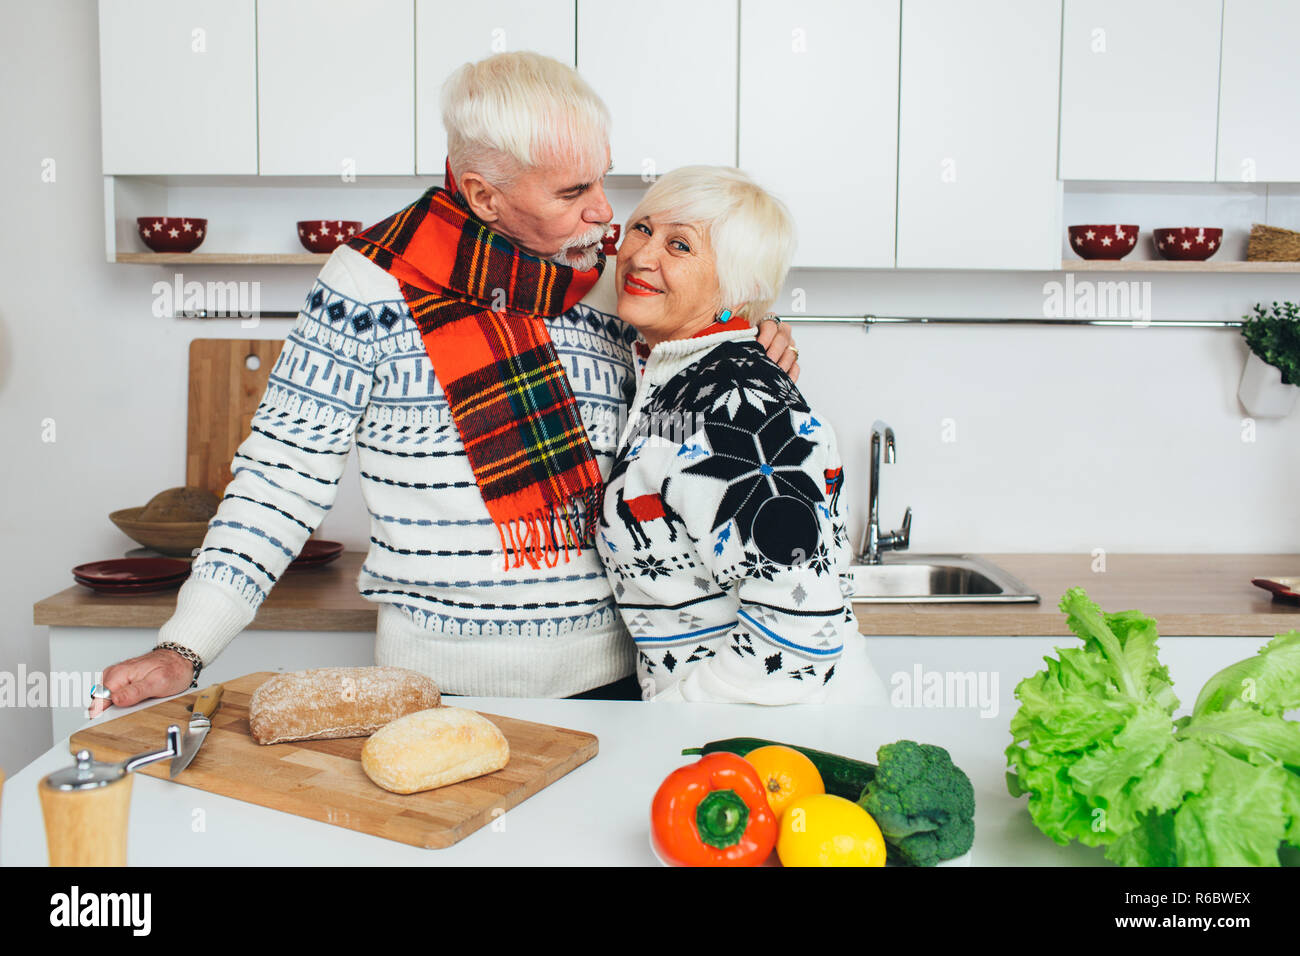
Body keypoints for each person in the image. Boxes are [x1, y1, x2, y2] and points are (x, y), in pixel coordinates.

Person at [88, 52, 798, 717]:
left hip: (616, 680)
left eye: (604, 177)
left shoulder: (610, 287)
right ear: (486, 194)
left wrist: (747, 346)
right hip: (430, 692)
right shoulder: (366, 287)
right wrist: (187, 644)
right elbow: (280, 480)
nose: (605, 213)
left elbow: (684, 416)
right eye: (573, 190)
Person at [595, 166, 885, 705]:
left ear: (737, 287)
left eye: (679, 245)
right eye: (642, 228)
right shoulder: (676, 376)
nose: (642, 255)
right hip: (752, 730)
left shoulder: (734, 402)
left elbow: (799, 626)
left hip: (789, 742)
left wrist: (679, 716)